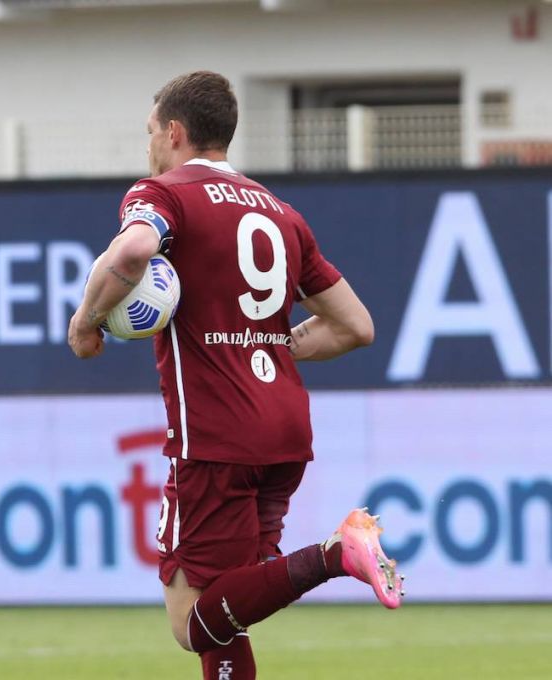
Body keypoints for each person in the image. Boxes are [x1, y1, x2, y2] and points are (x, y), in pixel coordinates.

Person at [67, 71, 403, 680]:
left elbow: (130, 254)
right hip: (284, 431)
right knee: (230, 609)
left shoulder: (163, 193)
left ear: (174, 131)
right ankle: (335, 553)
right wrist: (272, 346)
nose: (148, 147)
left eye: (150, 133)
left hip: (216, 438)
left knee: (191, 622)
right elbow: (356, 326)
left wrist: (86, 320)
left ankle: (337, 553)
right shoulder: (281, 213)